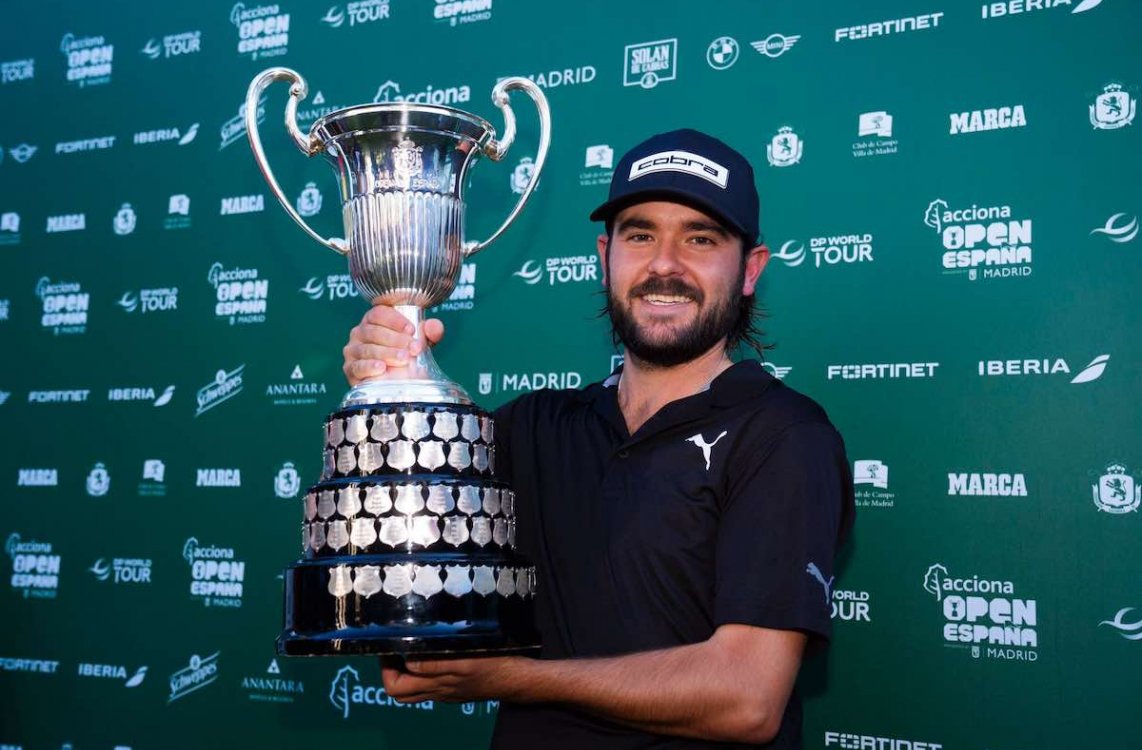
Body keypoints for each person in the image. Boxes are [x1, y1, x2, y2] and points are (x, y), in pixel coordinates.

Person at [341, 129, 855, 749]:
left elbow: (747, 697)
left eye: (700, 238)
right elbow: (398, 579)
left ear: (750, 270)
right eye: (641, 235)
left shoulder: (785, 437)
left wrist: (515, 678)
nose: (665, 264)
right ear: (605, 255)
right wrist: (389, 393)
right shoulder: (531, 428)